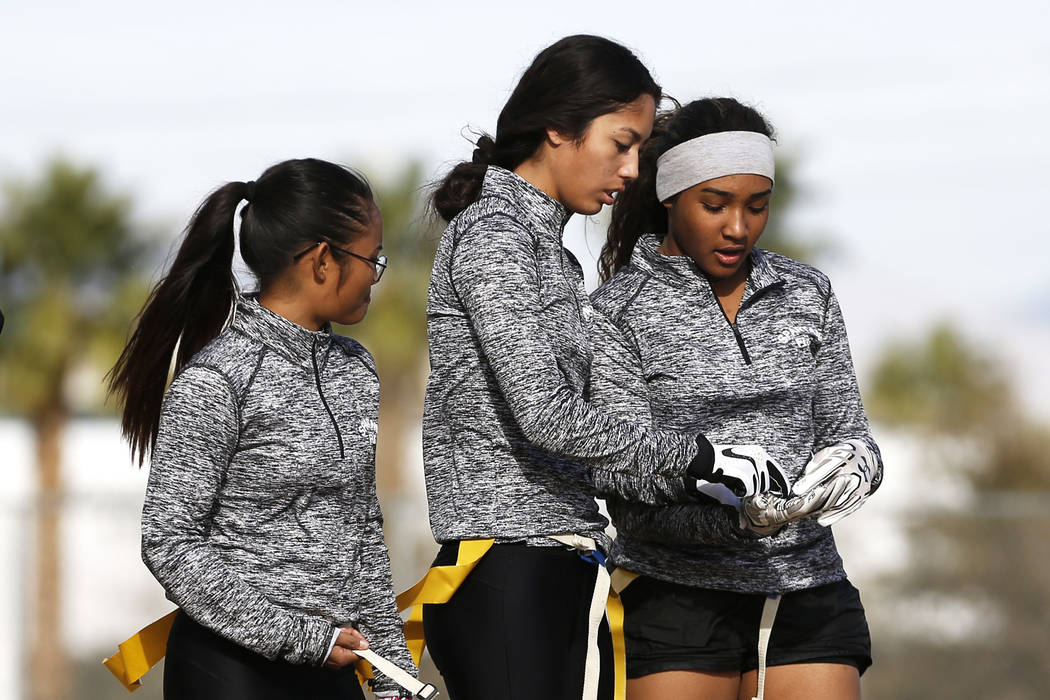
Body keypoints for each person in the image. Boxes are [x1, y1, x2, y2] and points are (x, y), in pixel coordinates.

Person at [418, 36, 787, 700]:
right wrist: (700, 456)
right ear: (559, 127)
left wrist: (723, 495)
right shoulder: (493, 233)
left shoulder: (553, 254)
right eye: (622, 143)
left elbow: (597, 442)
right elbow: (547, 415)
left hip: (558, 565)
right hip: (502, 569)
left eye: (641, 149)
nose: (632, 168)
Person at [590, 97, 884, 700]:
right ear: (669, 197)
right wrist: (738, 523)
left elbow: (846, 427)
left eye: (757, 205)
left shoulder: (807, 292)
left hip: (808, 589)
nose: (738, 228)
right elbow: (624, 489)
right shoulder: (615, 312)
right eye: (715, 205)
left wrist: (859, 462)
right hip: (672, 602)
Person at [107, 158, 417, 700]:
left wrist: (395, 679)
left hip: (332, 668)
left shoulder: (356, 369)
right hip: (228, 673)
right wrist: (301, 638)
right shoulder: (218, 378)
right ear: (323, 260)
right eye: (374, 258)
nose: (376, 273)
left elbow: (361, 527)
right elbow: (170, 542)